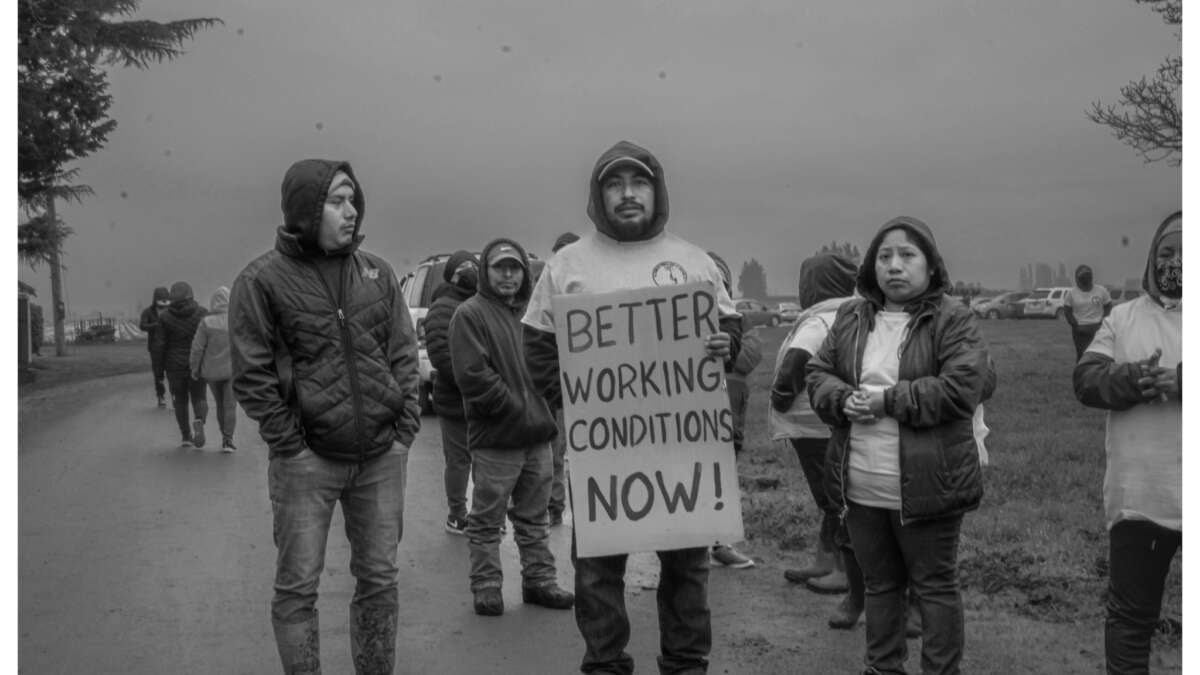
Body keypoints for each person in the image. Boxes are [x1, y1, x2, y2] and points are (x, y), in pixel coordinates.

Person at [523, 140, 743, 675]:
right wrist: (583, 406)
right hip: (605, 453)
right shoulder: (566, 265)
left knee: (688, 570)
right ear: (599, 195)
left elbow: (728, 330)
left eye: (638, 183)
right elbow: (537, 346)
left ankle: (686, 665)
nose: (627, 194)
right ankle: (605, 664)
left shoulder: (693, 261)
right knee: (597, 572)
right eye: (614, 184)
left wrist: (724, 346)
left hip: (684, 448)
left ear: (656, 190)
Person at [230, 159, 421, 673]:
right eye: (337, 201)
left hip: (381, 457)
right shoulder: (261, 281)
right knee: (298, 586)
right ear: (306, 210)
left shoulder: (377, 273)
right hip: (306, 463)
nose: (350, 210)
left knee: (380, 578)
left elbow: (404, 352)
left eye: (353, 199)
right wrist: (289, 445)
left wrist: (404, 431)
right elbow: (252, 375)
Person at [807, 216, 996, 675]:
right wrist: (840, 399)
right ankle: (882, 667)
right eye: (884, 256)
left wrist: (886, 400)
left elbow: (960, 388)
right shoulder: (852, 317)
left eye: (908, 255)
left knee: (934, 587)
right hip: (860, 485)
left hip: (930, 484)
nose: (895, 265)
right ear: (872, 267)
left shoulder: (953, 319)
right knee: (880, 585)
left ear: (931, 267)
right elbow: (818, 373)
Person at [1073, 210, 1180, 675]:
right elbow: (1086, 379)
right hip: (1140, 499)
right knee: (1131, 622)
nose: (1175, 261)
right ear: (1151, 258)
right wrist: (1134, 378)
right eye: (1167, 251)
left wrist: (1183, 383)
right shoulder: (1123, 318)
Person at [448, 238, 575, 617]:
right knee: (487, 520)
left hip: (538, 436)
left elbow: (555, 364)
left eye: (515, 268)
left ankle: (539, 581)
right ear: (486, 271)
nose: (508, 275)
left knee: (535, 518)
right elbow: (472, 375)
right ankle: (487, 586)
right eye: (500, 267)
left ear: (525, 273)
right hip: (497, 439)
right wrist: (515, 407)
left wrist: (548, 405)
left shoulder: (537, 315)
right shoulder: (469, 315)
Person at [770, 253, 863, 625]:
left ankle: (843, 569)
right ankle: (825, 560)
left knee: (833, 498)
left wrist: (780, 395)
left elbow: (796, 361)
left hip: (812, 425)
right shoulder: (844, 313)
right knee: (831, 498)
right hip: (819, 422)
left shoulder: (823, 318)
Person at [707, 250, 759, 570]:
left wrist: (727, 347)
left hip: (730, 417)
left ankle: (719, 542)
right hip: (695, 423)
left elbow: (750, 355)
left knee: (724, 480)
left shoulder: (738, 323)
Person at [424, 249, 479, 535]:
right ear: (452, 275)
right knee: (459, 461)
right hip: (455, 400)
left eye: (473, 266)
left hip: (484, 401)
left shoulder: (483, 304)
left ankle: (483, 514)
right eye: (462, 267)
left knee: (485, 459)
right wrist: (474, 381)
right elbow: (440, 356)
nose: (469, 270)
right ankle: (457, 514)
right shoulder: (441, 307)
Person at [545, 231, 580, 526]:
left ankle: (590, 510)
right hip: (556, 390)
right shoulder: (543, 293)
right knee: (555, 452)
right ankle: (555, 506)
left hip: (593, 390)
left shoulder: (592, 290)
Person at [154, 281, 209, 447]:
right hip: (197, 364)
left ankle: (186, 436)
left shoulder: (164, 318)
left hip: (174, 366)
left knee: (179, 401)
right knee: (199, 396)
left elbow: (159, 346)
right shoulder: (202, 314)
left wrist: (159, 371)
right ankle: (199, 419)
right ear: (190, 294)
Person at [190, 286, 237, 452]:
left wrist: (194, 368)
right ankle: (228, 440)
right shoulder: (236, 320)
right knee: (230, 405)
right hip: (232, 371)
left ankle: (222, 434)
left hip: (212, 372)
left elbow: (197, 348)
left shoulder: (206, 322)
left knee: (220, 405)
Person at [1064, 264, 1113, 361]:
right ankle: (1082, 375)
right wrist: (1074, 324)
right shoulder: (1071, 293)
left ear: (1091, 278)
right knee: (1082, 357)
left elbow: (1108, 306)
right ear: (1077, 279)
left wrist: (1103, 321)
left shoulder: (1101, 290)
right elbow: (1067, 310)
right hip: (1080, 331)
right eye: (1081, 279)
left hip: (1098, 329)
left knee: (1100, 356)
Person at [139, 286, 171, 408]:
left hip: (171, 346)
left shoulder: (172, 310)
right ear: (155, 299)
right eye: (161, 299)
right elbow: (142, 325)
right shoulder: (148, 312)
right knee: (158, 374)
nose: (163, 301)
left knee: (173, 373)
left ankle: (175, 396)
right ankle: (161, 396)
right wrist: (156, 325)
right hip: (155, 348)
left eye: (165, 298)